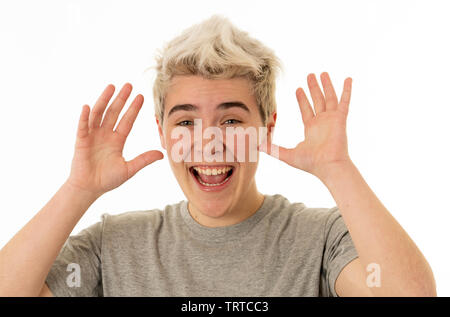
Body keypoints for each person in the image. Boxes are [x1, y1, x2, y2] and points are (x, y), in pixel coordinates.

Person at [0, 15, 436, 297]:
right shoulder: (113, 246)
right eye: (186, 122)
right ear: (163, 132)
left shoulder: (321, 239)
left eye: (231, 121)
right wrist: (78, 190)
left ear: (266, 126)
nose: (209, 142)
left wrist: (339, 171)